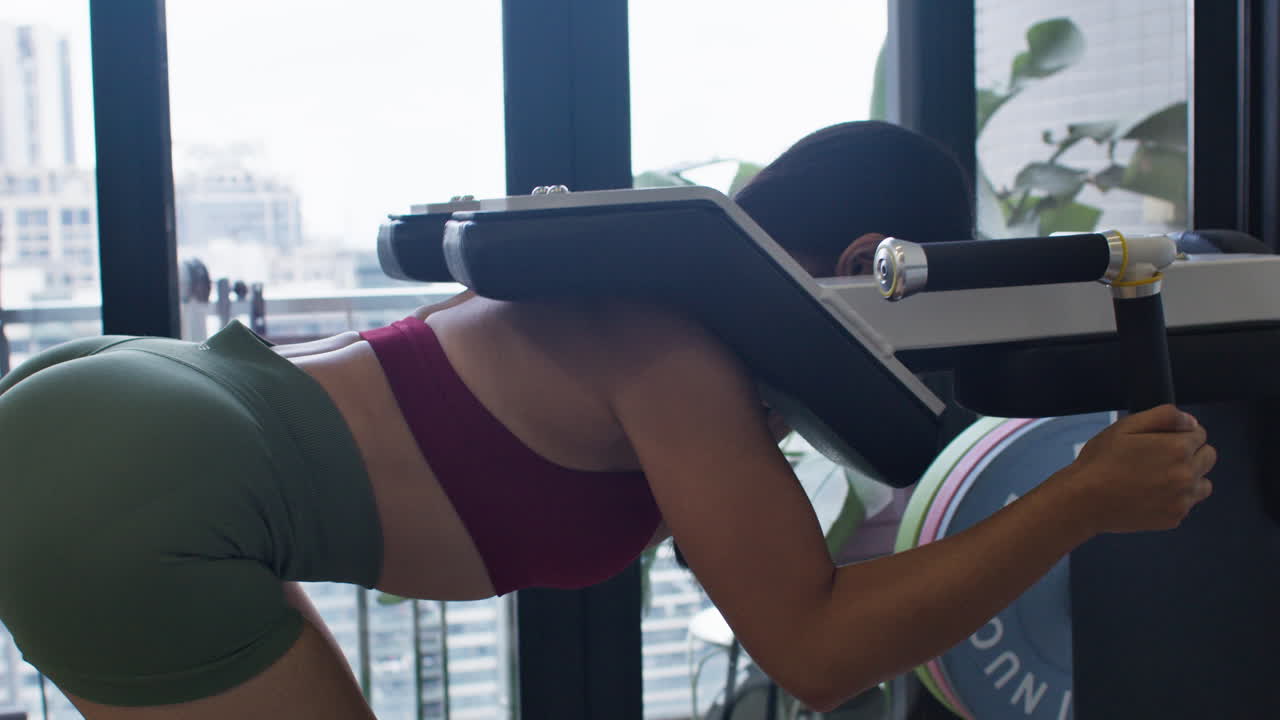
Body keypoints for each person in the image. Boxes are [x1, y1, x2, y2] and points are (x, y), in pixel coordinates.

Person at [0, 121, 1216, 719]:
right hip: (145, 481)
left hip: (127, 408)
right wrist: (1078, 499)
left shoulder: (648, 291)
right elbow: (817, 652)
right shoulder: (676, 350)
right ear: (863, 259)